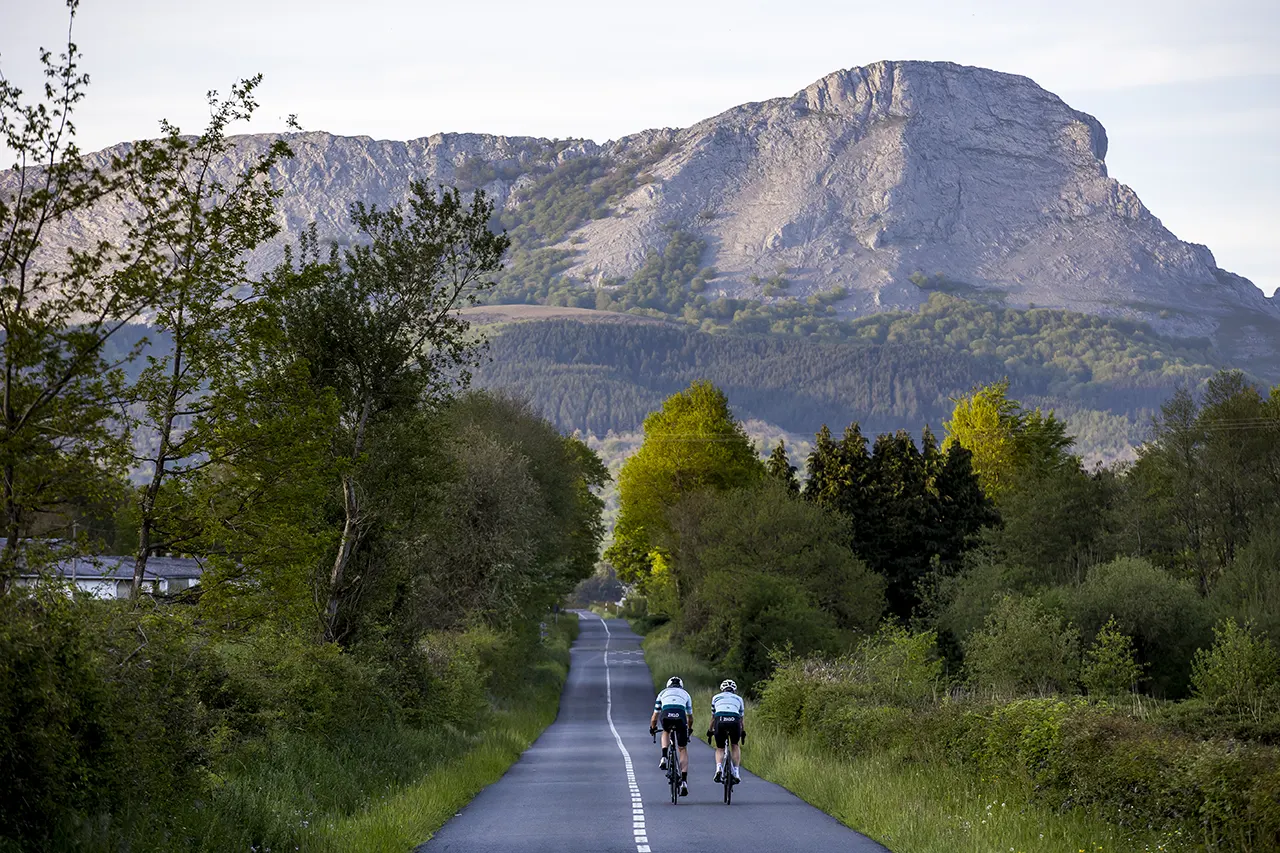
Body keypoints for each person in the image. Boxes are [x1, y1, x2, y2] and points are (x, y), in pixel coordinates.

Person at [649, 675, 692, 797]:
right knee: (682, 749)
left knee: (666, 731)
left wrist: (652, 728)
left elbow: (654, 717)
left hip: (666, 715)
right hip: (680, 717)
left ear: (668, 685)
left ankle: (664, 757)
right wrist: (689, 729)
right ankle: (684, 782)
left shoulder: (662, 693)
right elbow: (690, 717)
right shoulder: (686, 694)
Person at [706, 678, 745, 784]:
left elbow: (713, 718)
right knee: (735, 745)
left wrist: (710, 731)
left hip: (720, 719)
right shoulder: (739, 699)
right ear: (734, 690)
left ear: (722, 689)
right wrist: (743, 732)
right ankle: (736, 772)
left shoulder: (715, 697)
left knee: (720, 748)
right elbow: (741, 719)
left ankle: (719, 768)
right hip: (734, 720)